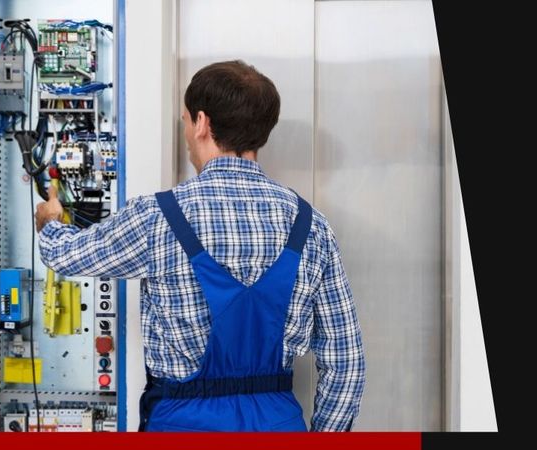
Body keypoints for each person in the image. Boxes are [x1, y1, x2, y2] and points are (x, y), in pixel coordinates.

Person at [35, 60, 365, 431]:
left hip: (183, 424)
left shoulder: (158, 217)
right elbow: (346, 362)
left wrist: (50, 220)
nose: (188, 133)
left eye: (186, 121)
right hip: (277, 423)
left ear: (203, 123)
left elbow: (65, 255)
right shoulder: (311, 226)